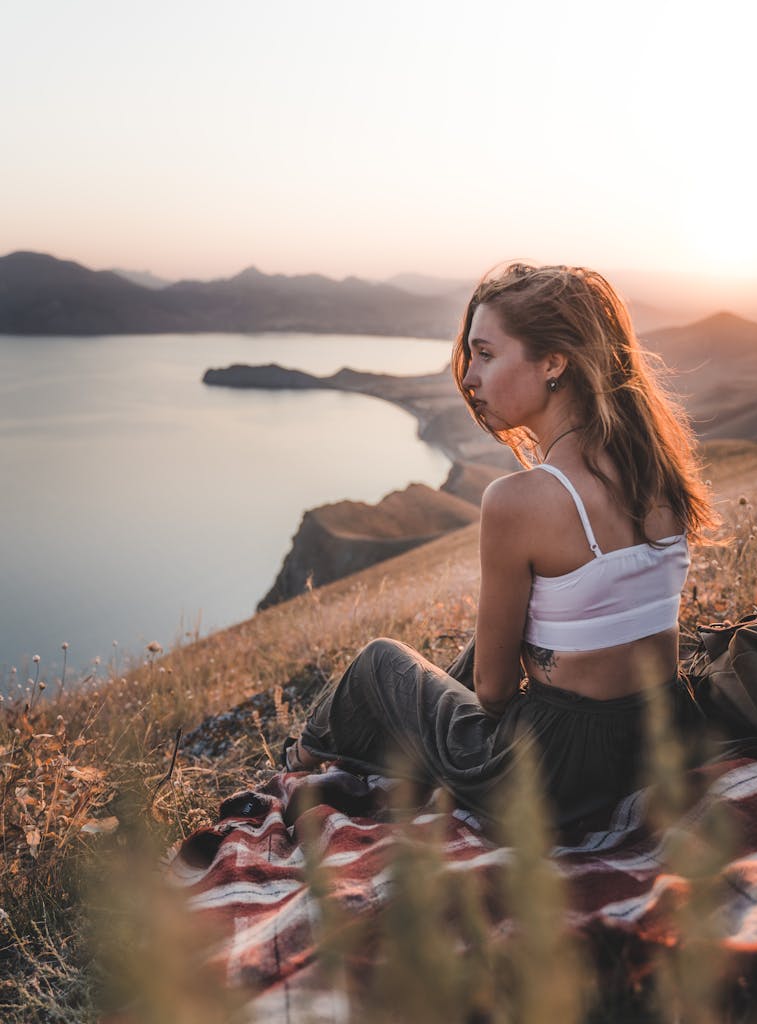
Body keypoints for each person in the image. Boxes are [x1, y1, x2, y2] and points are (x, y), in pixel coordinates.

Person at [282, 263, 717, 830]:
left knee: (380, 663)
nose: (468, 379)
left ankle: (295, 766)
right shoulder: (659, 470)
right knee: (470, 655)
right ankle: (354, 768)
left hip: (554, 778)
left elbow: (491, 692)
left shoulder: (520, 500)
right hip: (659, 740)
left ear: (553, 362)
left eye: (485, 354)